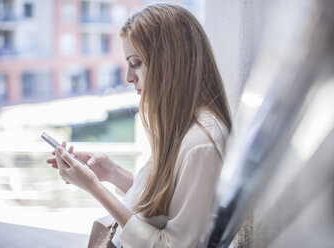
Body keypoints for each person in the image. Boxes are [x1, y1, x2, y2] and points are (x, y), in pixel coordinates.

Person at [46, 3, 232, 247]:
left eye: (135, 63)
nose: (128, 77)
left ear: (170, 62)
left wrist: (93, 187)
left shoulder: (201, 144)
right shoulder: (186, 127)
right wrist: (113, 174)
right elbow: (165, 207)